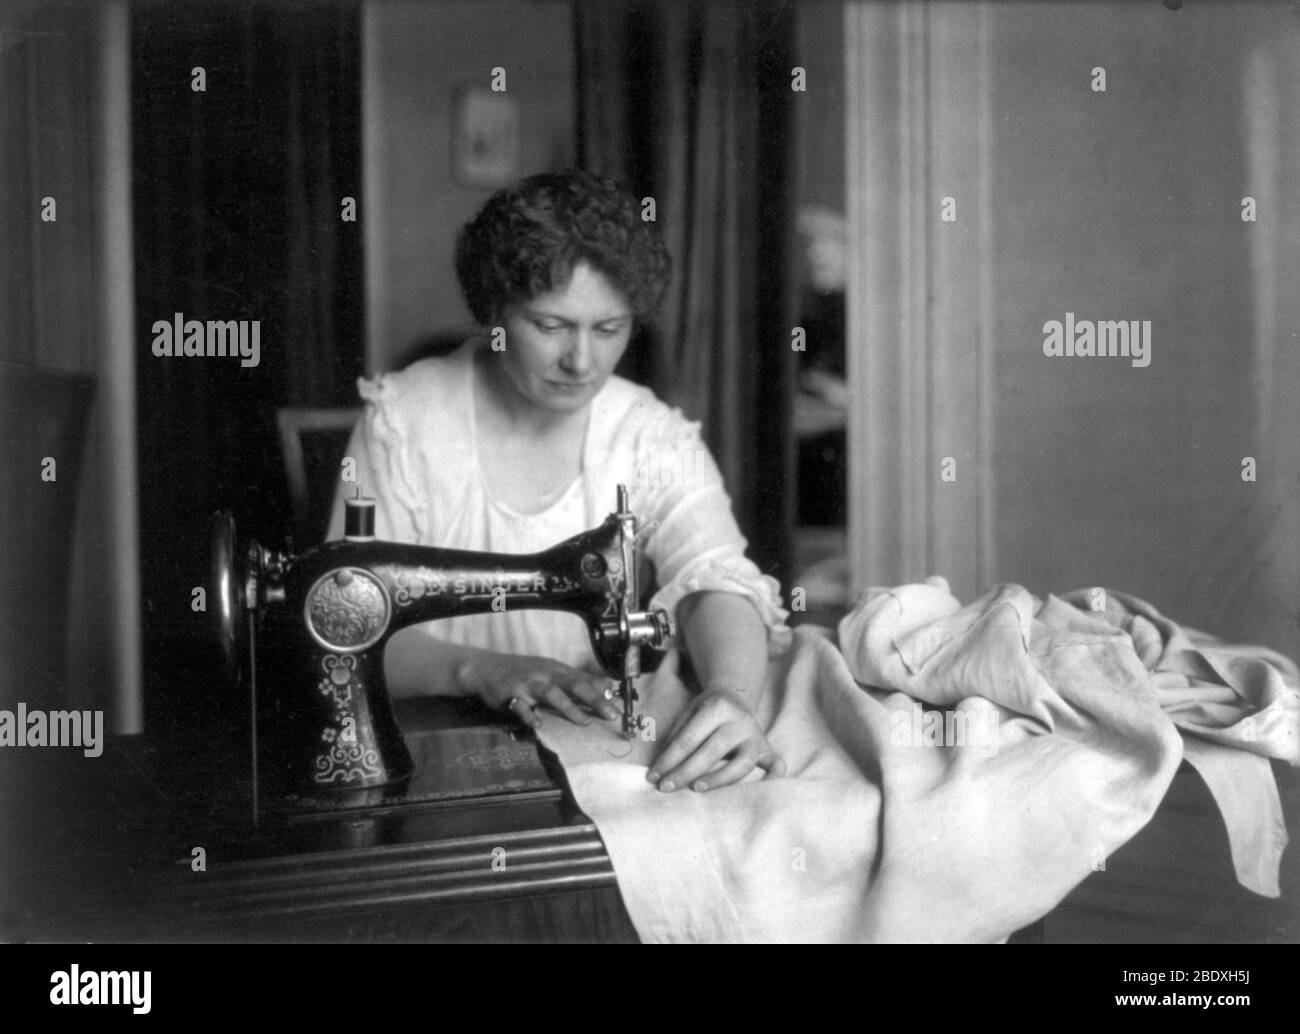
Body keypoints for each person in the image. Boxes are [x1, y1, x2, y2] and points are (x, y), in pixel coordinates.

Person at [329, 170, 789, 793]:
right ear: (494, 311)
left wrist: (732, 695)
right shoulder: (404, 424)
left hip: (584, 734)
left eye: (609, 329)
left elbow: (716, 578)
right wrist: (484, 669)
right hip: (428, 742)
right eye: (550, 326)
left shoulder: (648, 434)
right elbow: (352, 621)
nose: (583, 362)